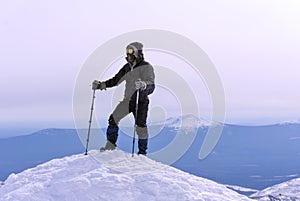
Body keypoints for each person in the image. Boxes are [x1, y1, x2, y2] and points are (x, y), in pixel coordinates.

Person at [92, 42, 155, 155]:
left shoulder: (146, 67)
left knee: (140, 127)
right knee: (113, 119)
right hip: (128, 101)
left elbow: (152, 85)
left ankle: (142, 153)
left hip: (140, 103)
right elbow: (116, 80)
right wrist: (101, 85)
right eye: (127, 52)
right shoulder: (127, 68)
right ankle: (110, 146)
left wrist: (144, 85)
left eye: (131, 52)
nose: (128, 55)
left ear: (137, 53)